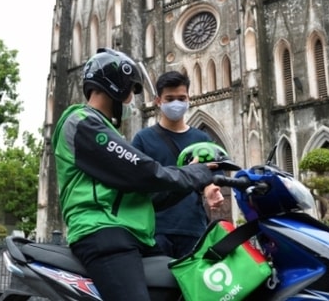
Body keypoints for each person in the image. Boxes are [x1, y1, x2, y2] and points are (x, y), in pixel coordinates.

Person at [51, 48, 218, 301]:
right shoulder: (81, 122)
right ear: (117, 86)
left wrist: (193, 180)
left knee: (189, 289)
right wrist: (192, 174)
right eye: (131, 90)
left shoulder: (105, 130)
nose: (130, 100)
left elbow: (147, 195)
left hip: (133, 236)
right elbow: (143, 172)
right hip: (103, 233)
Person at [132, 71, 224, 258]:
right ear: (158, 101)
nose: (176, 103)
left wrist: (210, 191)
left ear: (189, 98)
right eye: (170, 98)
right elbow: (137, 181)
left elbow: (210, 176)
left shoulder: (203, 140)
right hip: (156, 229)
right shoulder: (143, 139)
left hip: (193, 228)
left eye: (181, 98)